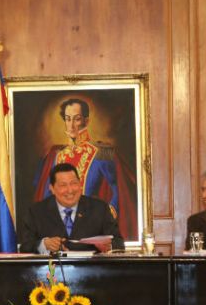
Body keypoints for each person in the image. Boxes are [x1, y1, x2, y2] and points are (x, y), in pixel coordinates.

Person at [32, 98, 137, 240]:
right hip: (60, 232)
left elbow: (117, 190)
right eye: (68, 119)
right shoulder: (57, 155)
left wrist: (105, 218)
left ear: (86, 121)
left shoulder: (101, 153)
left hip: (92, 231)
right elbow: (47, 197)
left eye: (77, 119)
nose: (71, 125)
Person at [19, 163, 125, 254]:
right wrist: (43, 245)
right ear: (52, 188)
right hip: (51, 274)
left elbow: (119, 243)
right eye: (63, 185)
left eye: (74, 183)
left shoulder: (100, 209)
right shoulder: (36, 212)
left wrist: (109, 246)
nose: (70, 190)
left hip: (92, 272)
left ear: (80, 184)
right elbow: (25, 247)